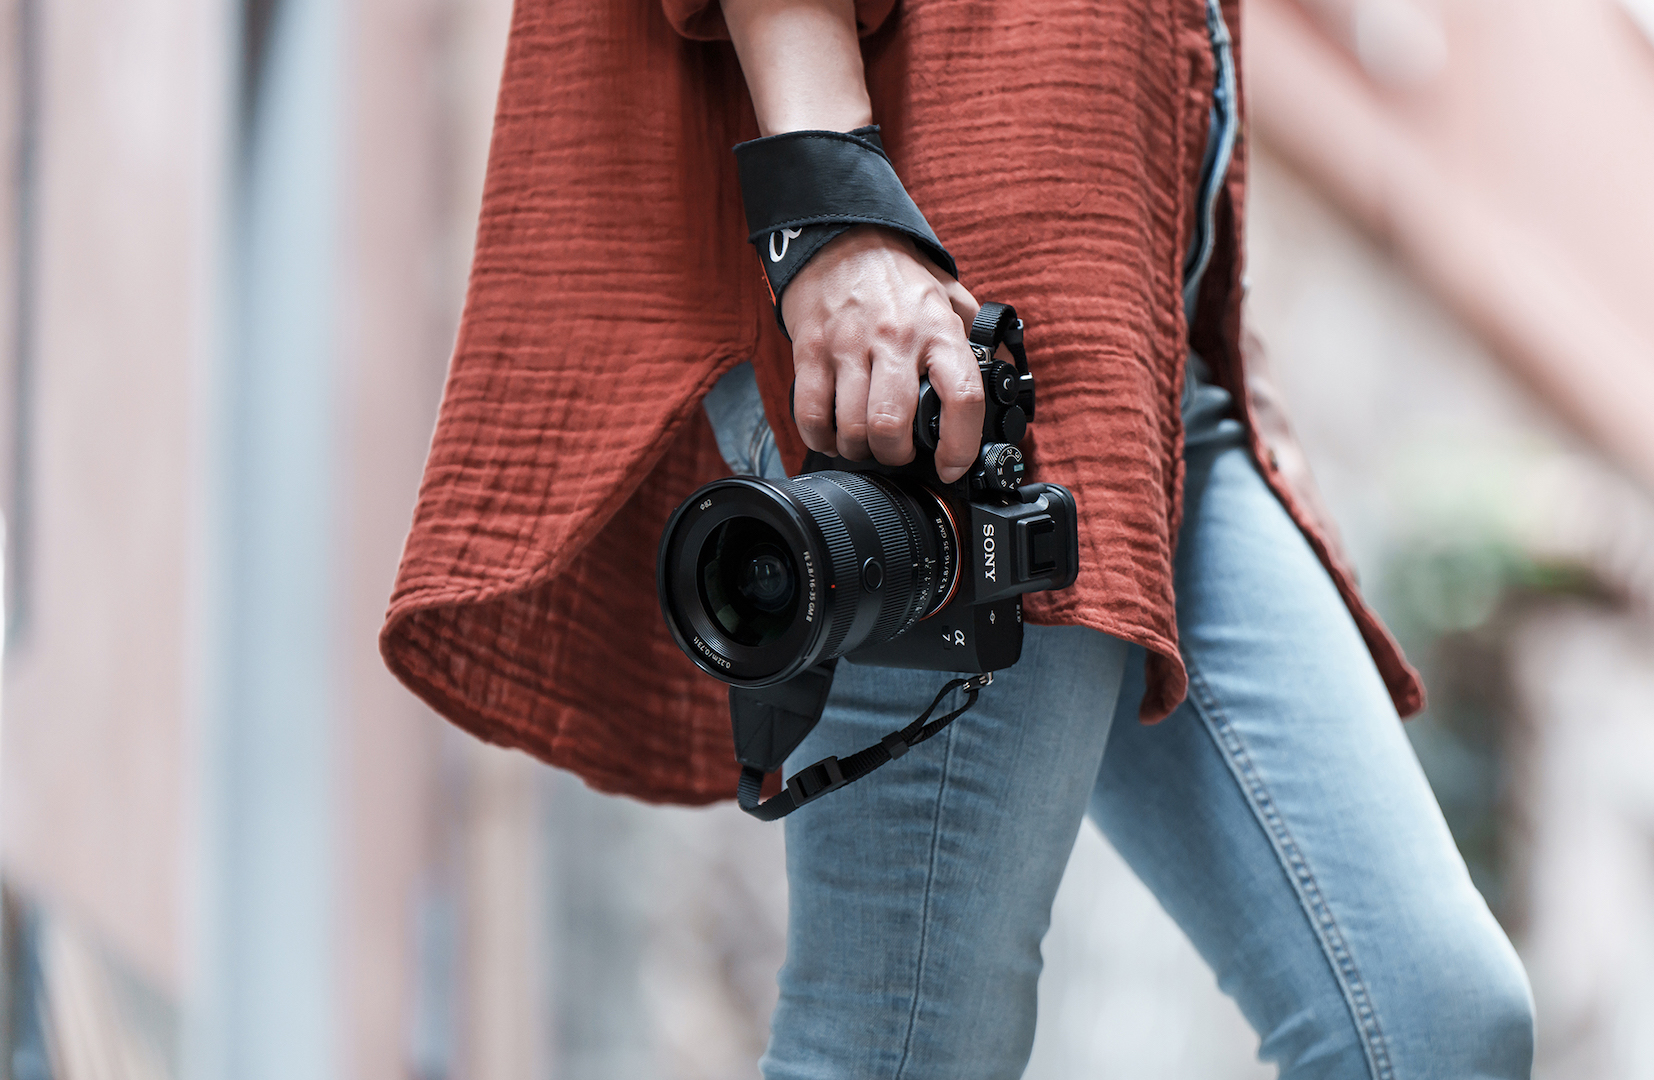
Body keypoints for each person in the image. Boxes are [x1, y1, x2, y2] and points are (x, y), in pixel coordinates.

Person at [381, 0, 1536, 1075]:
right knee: (903, 1039)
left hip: (1144, 351)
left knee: (1429, 1017)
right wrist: (827, 202)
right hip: (943, 322)